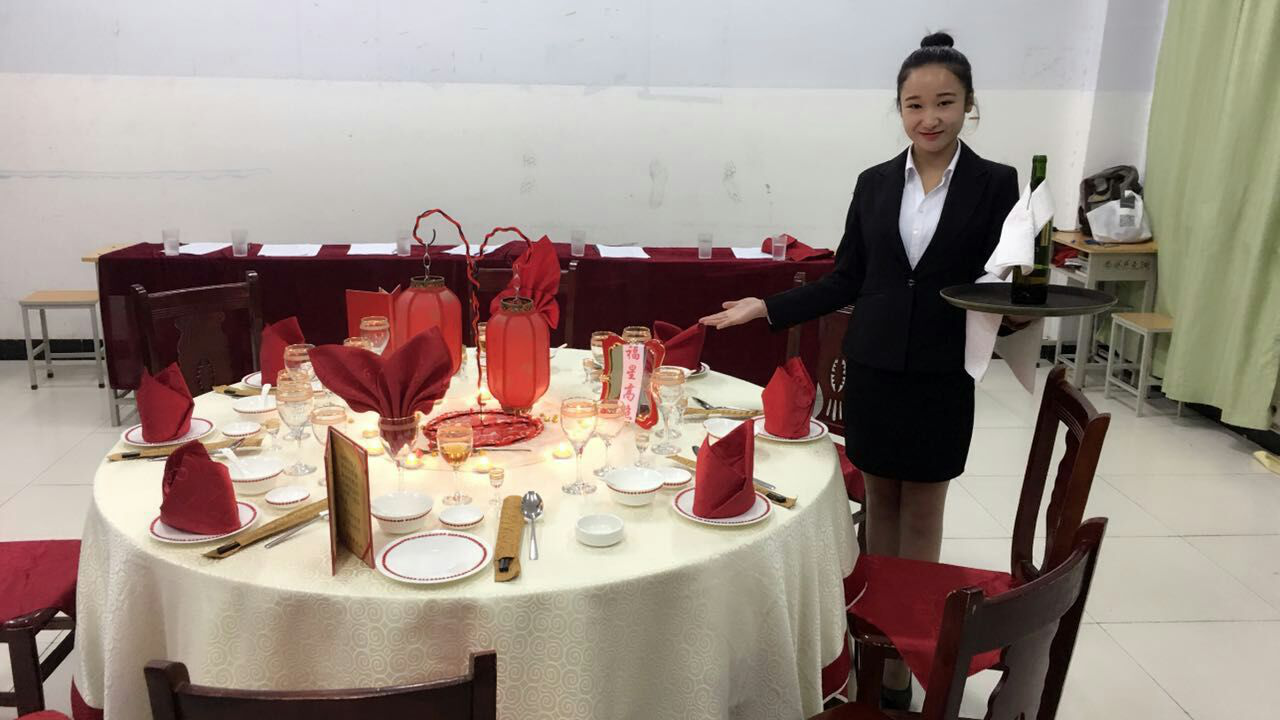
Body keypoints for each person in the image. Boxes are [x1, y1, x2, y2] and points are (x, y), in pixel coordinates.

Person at [699, 32, 1021, 709]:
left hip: (941, 373)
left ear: (969, 104)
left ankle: (908, 666)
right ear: (899, 108)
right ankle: (872, 654)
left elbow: (1004, 281)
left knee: (923, 513)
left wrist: (1023, 305)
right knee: (876, 507)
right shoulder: (875, 183)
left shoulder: (997, 184)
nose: (929, 118)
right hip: (873, 366)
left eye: (944, 102)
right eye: (914, 105)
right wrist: (768, 306)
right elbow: (847, 277)